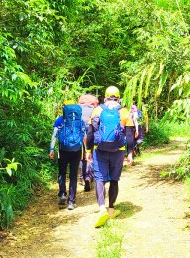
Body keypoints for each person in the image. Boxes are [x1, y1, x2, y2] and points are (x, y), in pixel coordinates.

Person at [86, 86, 134, 228]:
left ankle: (102, 209)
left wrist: (88, 150)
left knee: (100, 179)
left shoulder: (98, 110)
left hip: (99, 150)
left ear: (105, 96)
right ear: (118, 97)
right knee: (114, 179)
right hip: (118, 151)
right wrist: (130, 153)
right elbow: (130, 134)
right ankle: (111, 209)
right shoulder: (124, 112)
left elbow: (90, 132)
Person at [50, 100, 86, 210]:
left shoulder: (60, 120)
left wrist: (51, 149)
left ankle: (62, 194)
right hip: (76, 151)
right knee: (73, 175)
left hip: (63, 150)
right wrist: (86, 152)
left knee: (62, 172)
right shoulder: (80, 121)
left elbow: (54, 136)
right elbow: (84, 137)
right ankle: (71, 201)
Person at [78, 93, 99, 191]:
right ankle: (88, 177)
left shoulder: (78, 107)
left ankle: (82, 177)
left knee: (82, 155)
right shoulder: (95, 108)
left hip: (79, 131)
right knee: (90, 152)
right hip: (91, 131)